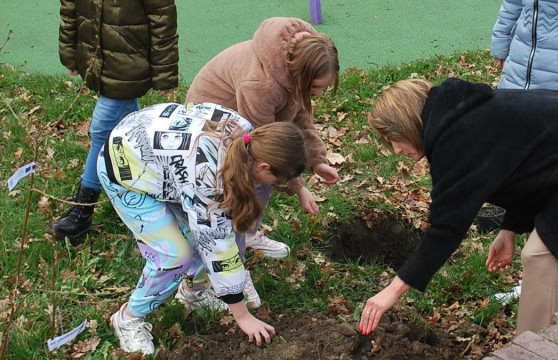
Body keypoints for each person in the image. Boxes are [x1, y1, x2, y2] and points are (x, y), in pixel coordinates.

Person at [359, 77, 558, 336]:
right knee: (549, 257)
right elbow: (524, 171)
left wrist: (393, 291)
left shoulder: (456, 136)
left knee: (545, 258)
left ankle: (541, 348)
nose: (395, 150)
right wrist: (510, 229)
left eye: (394, 138)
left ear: (409, 122)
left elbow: (446, 227)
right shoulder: (462, 114)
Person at [98, 102, 308, 354]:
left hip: (160, 160)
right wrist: (242, 315)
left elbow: (223, 228)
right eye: (278, 179)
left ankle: (192, 294)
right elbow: (217, 244)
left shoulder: (248, 138)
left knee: (199, 236)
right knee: (175, 256)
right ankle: (129, 318)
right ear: (262, 167)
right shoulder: (208, 178)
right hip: (127, 172)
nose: (278, 185)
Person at [185, 17, 341, 261]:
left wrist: (317, 160)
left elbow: (299, 116)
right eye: (317, 87)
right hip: (208, 129)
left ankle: (247, 233)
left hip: (241, 123)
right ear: (301, 75)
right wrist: (299, 188)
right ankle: (236, 244)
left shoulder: (293, 63)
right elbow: (263, 148)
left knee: (264, 171)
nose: (320, 94)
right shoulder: (261, 84)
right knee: (257, 173)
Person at [47, 0, 179, 243]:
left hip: (130, 62)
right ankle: (145, 187)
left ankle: (81, 213)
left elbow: (163, 20)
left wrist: (165, 73)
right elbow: (69, 9)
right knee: (130, 128)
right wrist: (70, 52)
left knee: (101, 130)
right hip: (97, 59)